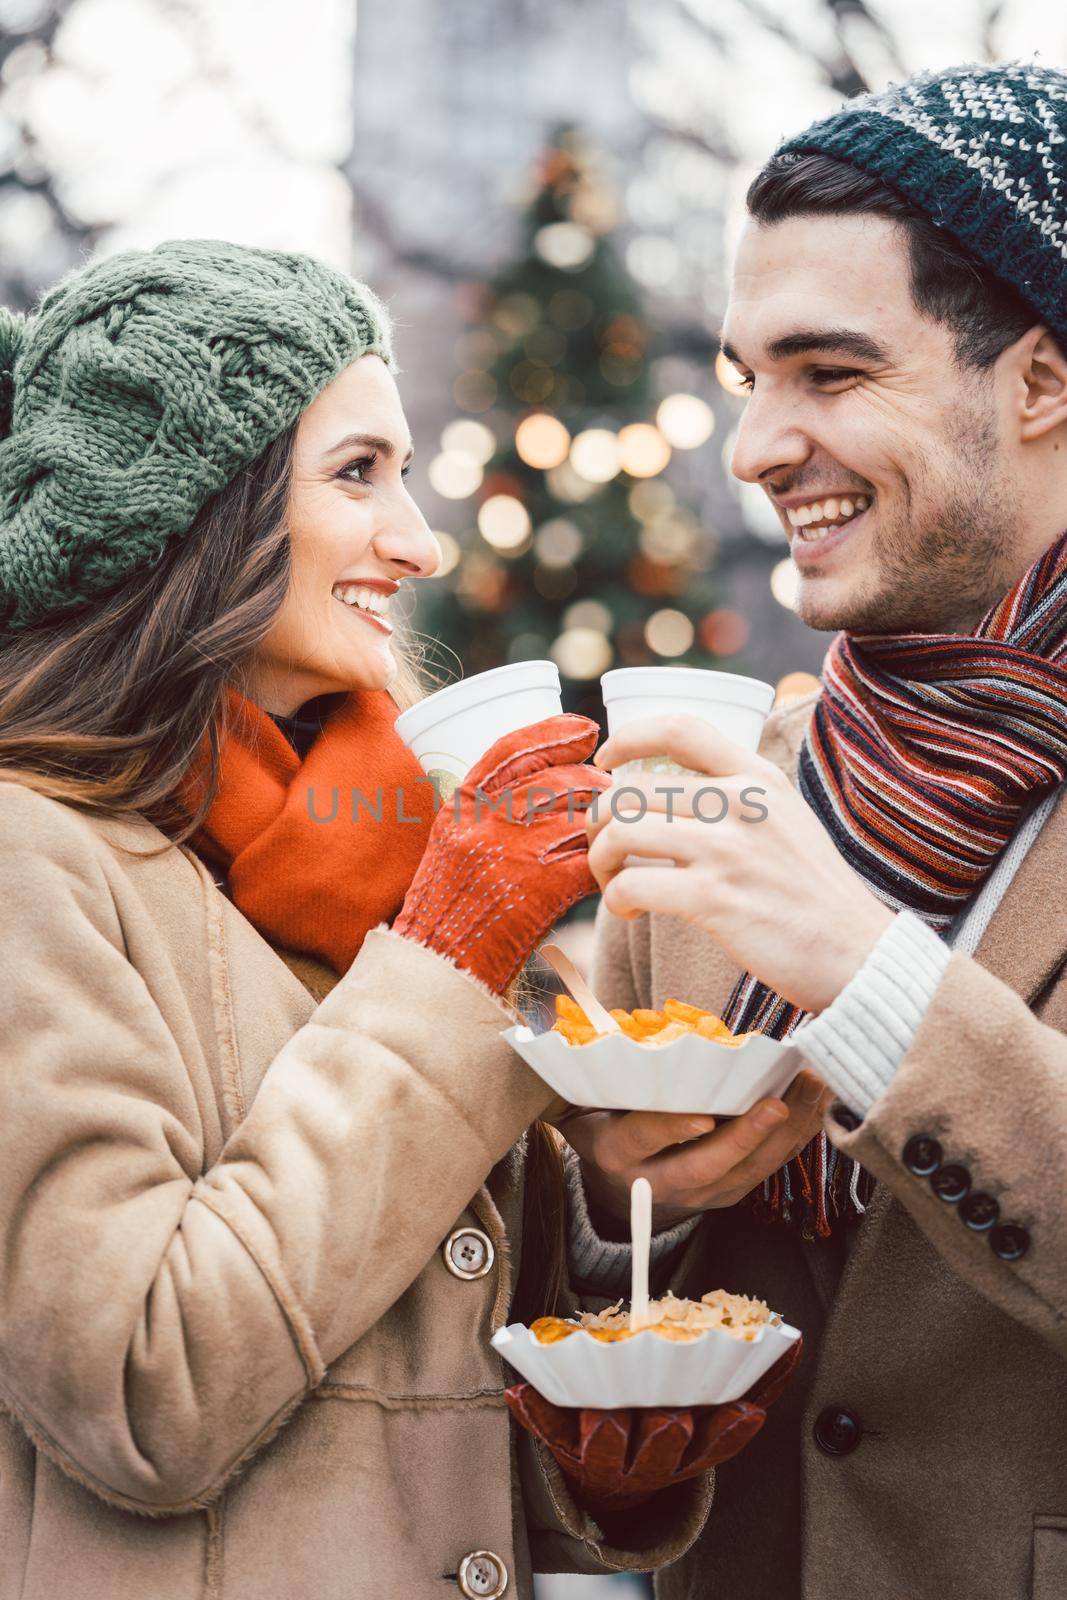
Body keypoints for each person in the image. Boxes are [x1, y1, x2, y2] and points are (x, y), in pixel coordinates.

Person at [0, 239, 733, 1600]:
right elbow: (141, 1389)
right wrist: (450, 958)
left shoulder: (394, 844)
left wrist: (600, 1382)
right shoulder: (30, 856)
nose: (420, 538)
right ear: (195, 513)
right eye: (357, 473)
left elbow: (412, 1361)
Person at [565, 62, 1067, 1600]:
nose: (758, 446)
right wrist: (616, 1207)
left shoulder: (773, 870)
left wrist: (872, 978)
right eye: (747, 381)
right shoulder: (722, 804)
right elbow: (612, 1321)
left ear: (1043, 382)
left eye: (830, 375)